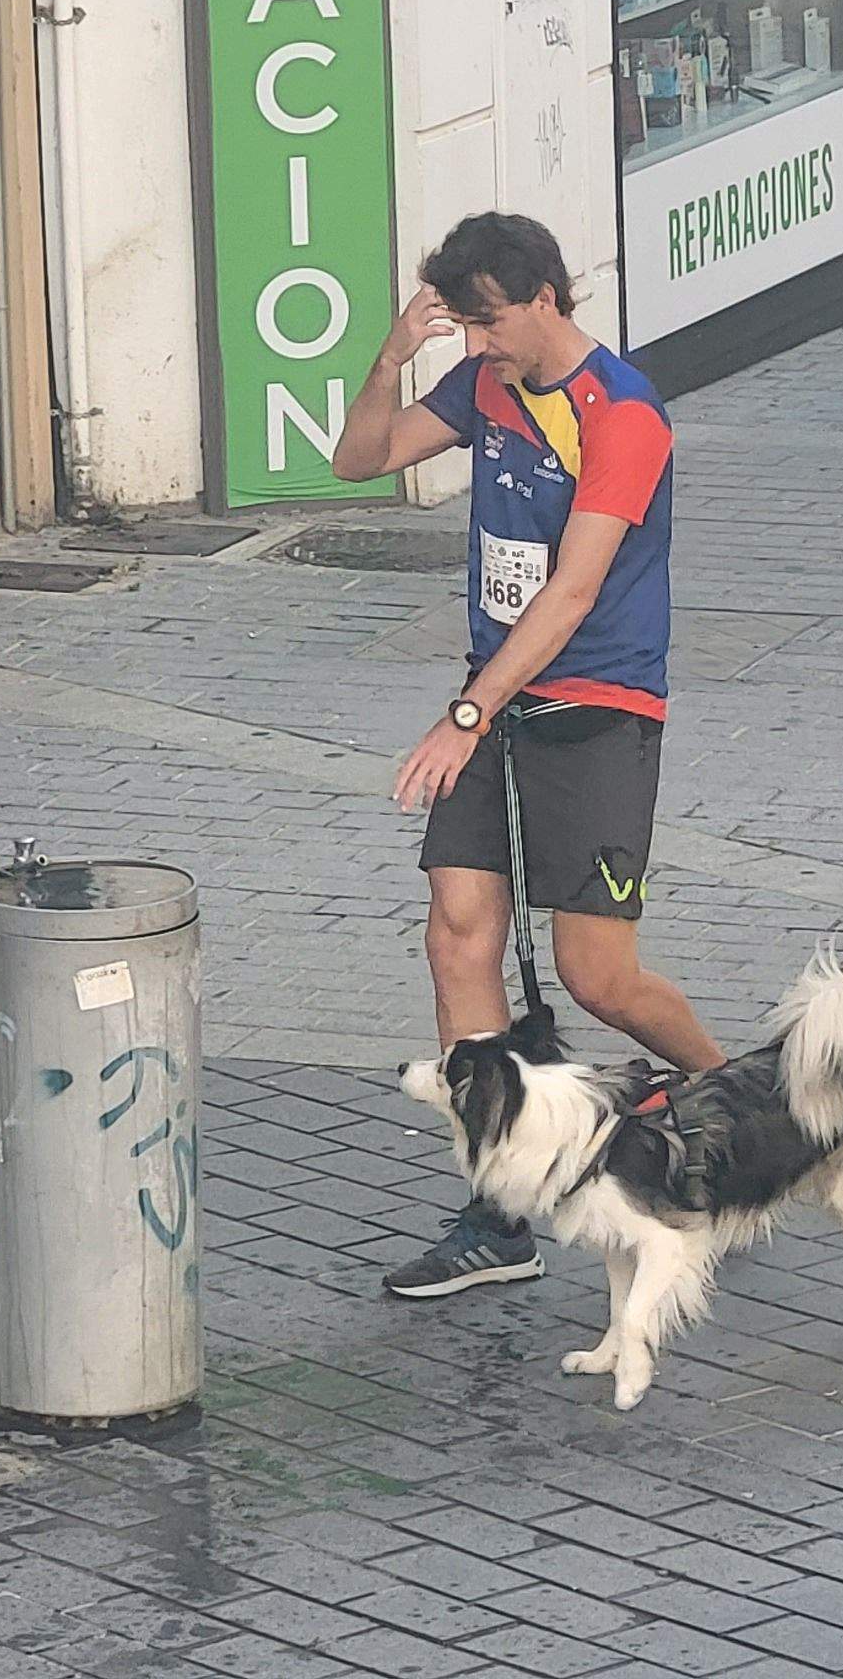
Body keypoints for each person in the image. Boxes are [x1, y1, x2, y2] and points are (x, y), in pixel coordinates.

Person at [331, 213, 733, 1295]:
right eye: (462, 324)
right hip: (493, 697)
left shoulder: (625, 416)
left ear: (548, 298)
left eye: (491, 321)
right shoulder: (481, 387)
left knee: (596, 977)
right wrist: (386, 359)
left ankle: (746, 1105)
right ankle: (498, 1212)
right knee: (459, 937)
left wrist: (464, 717)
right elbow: (358, 459)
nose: (479, 345)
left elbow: (570, 595)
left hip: (594, 708)